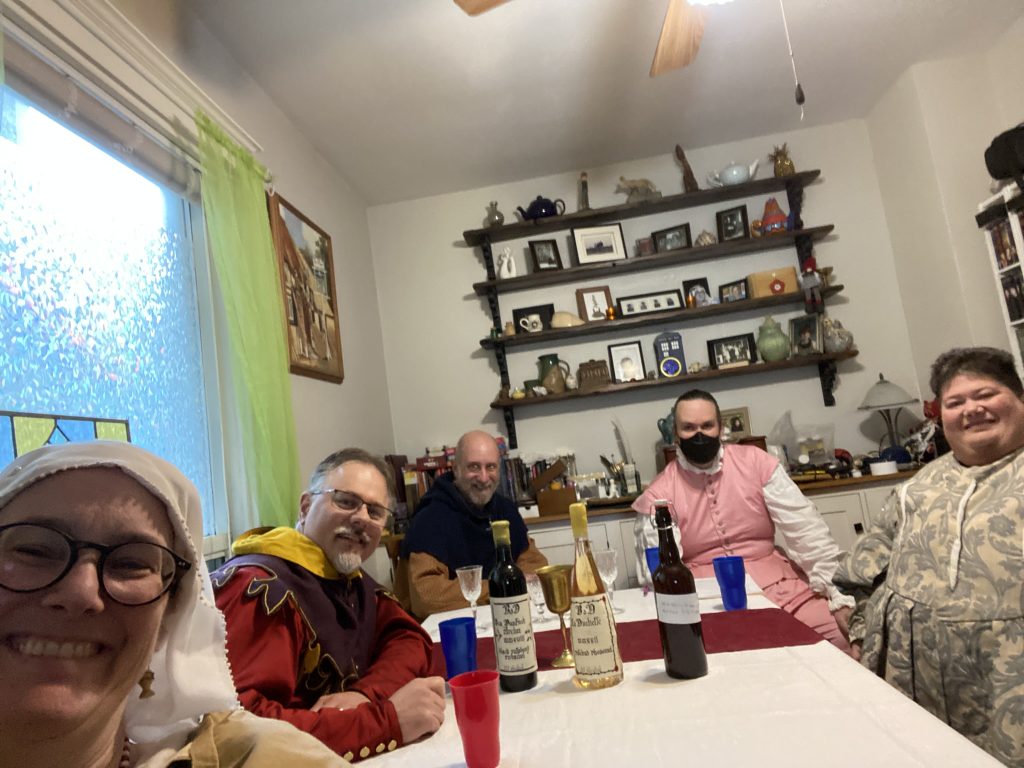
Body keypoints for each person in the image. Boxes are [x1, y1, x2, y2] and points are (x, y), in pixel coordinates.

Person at [0, 440, 347, 768]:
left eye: (131, 564)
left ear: (171, 611)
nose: (81, 592)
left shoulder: (265, 756)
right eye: (33, 550)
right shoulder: (259, 582)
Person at [833, 347, 1024, 766]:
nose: (971, 409)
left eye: (985, 395)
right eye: (956, 403)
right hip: (914, 686)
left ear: (1018, 399)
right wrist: (862, 628)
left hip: (1006, 691)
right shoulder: (917, 486)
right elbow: (858, 570)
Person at [211, 448, 444, 763]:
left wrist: (364, 695)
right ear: (306, 506)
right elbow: (237, 728)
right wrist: (385, 722)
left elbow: (408, 637)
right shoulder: (258, 588)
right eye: (345, 501)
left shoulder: (345, 576)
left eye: (375, 511)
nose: (362, 518)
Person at [632, 389, 853, 651]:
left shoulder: (758, 463)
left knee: (840, 639)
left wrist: (839, 597)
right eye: (689, 428)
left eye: (707, 425)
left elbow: (807, 532)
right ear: (675, 435)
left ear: (720, 428)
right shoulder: (659, 493)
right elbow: (659, 574)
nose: (699, 434)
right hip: (708, 601)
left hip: (784, 590)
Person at [401, 431, 548, 619]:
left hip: (507, 617)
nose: (484, 477)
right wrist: (500, 587)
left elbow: (535, 564)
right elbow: (428, 597)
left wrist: (507, 587)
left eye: (491, 467)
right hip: (453, 627)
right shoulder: (430, 518)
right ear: (455, 469)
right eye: (474, 467)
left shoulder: (505, 509)